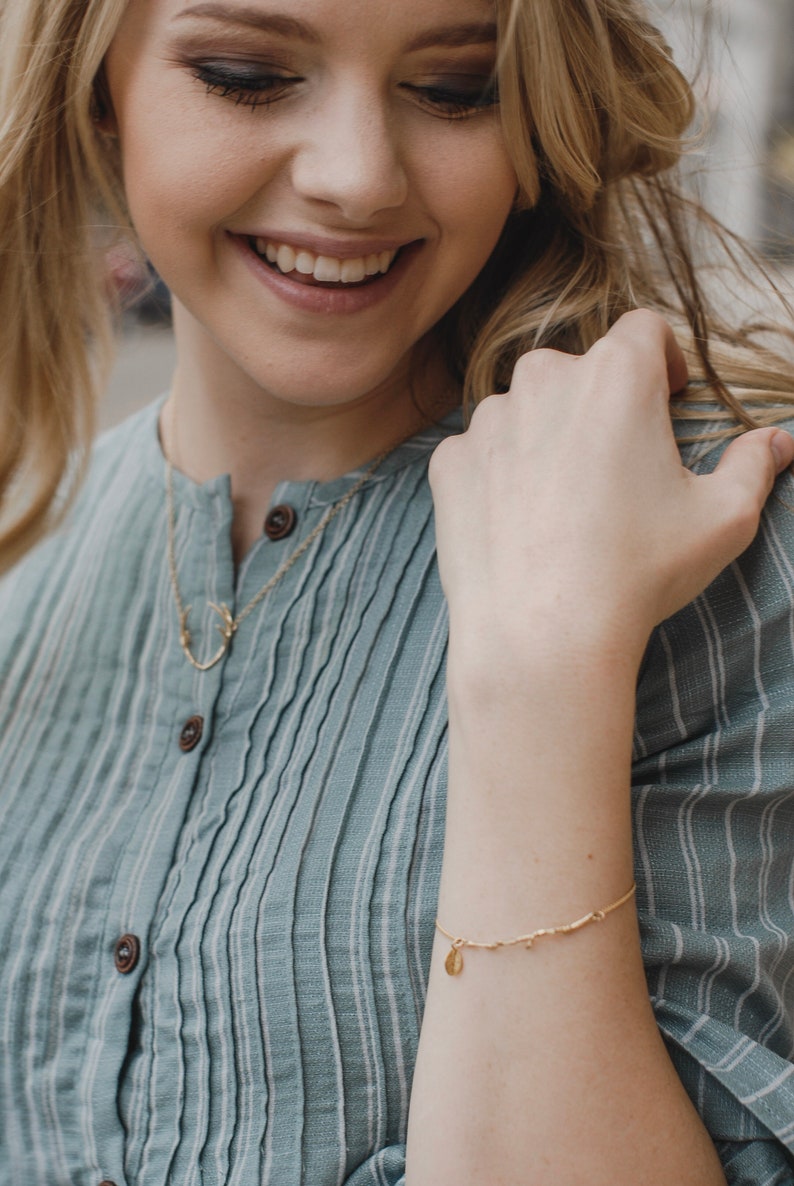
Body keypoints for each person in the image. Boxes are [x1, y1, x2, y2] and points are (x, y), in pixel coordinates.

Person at [0, 0, 793, 1183]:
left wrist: (543, 680)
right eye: (246, 74)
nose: (357, 179)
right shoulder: (30, 556)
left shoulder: (714, 530)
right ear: (94, 85)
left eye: (457, 88)